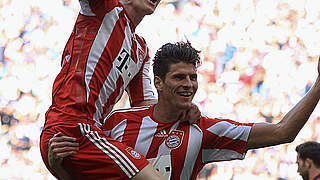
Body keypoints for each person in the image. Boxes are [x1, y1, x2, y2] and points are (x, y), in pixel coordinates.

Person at [49, 41, 320, 180]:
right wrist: (58, 166)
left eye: (193, 77)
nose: (189, 84)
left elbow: (283, 132)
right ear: (158, 82)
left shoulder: (203, 130)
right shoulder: (117, 123)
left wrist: (318, 85)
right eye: (179, 77)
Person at [40, 0, 200, 179]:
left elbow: (147, 106)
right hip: (71, 127)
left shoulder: (140, 50)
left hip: (91, 132)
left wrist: (181, 107)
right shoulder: (104, 9)